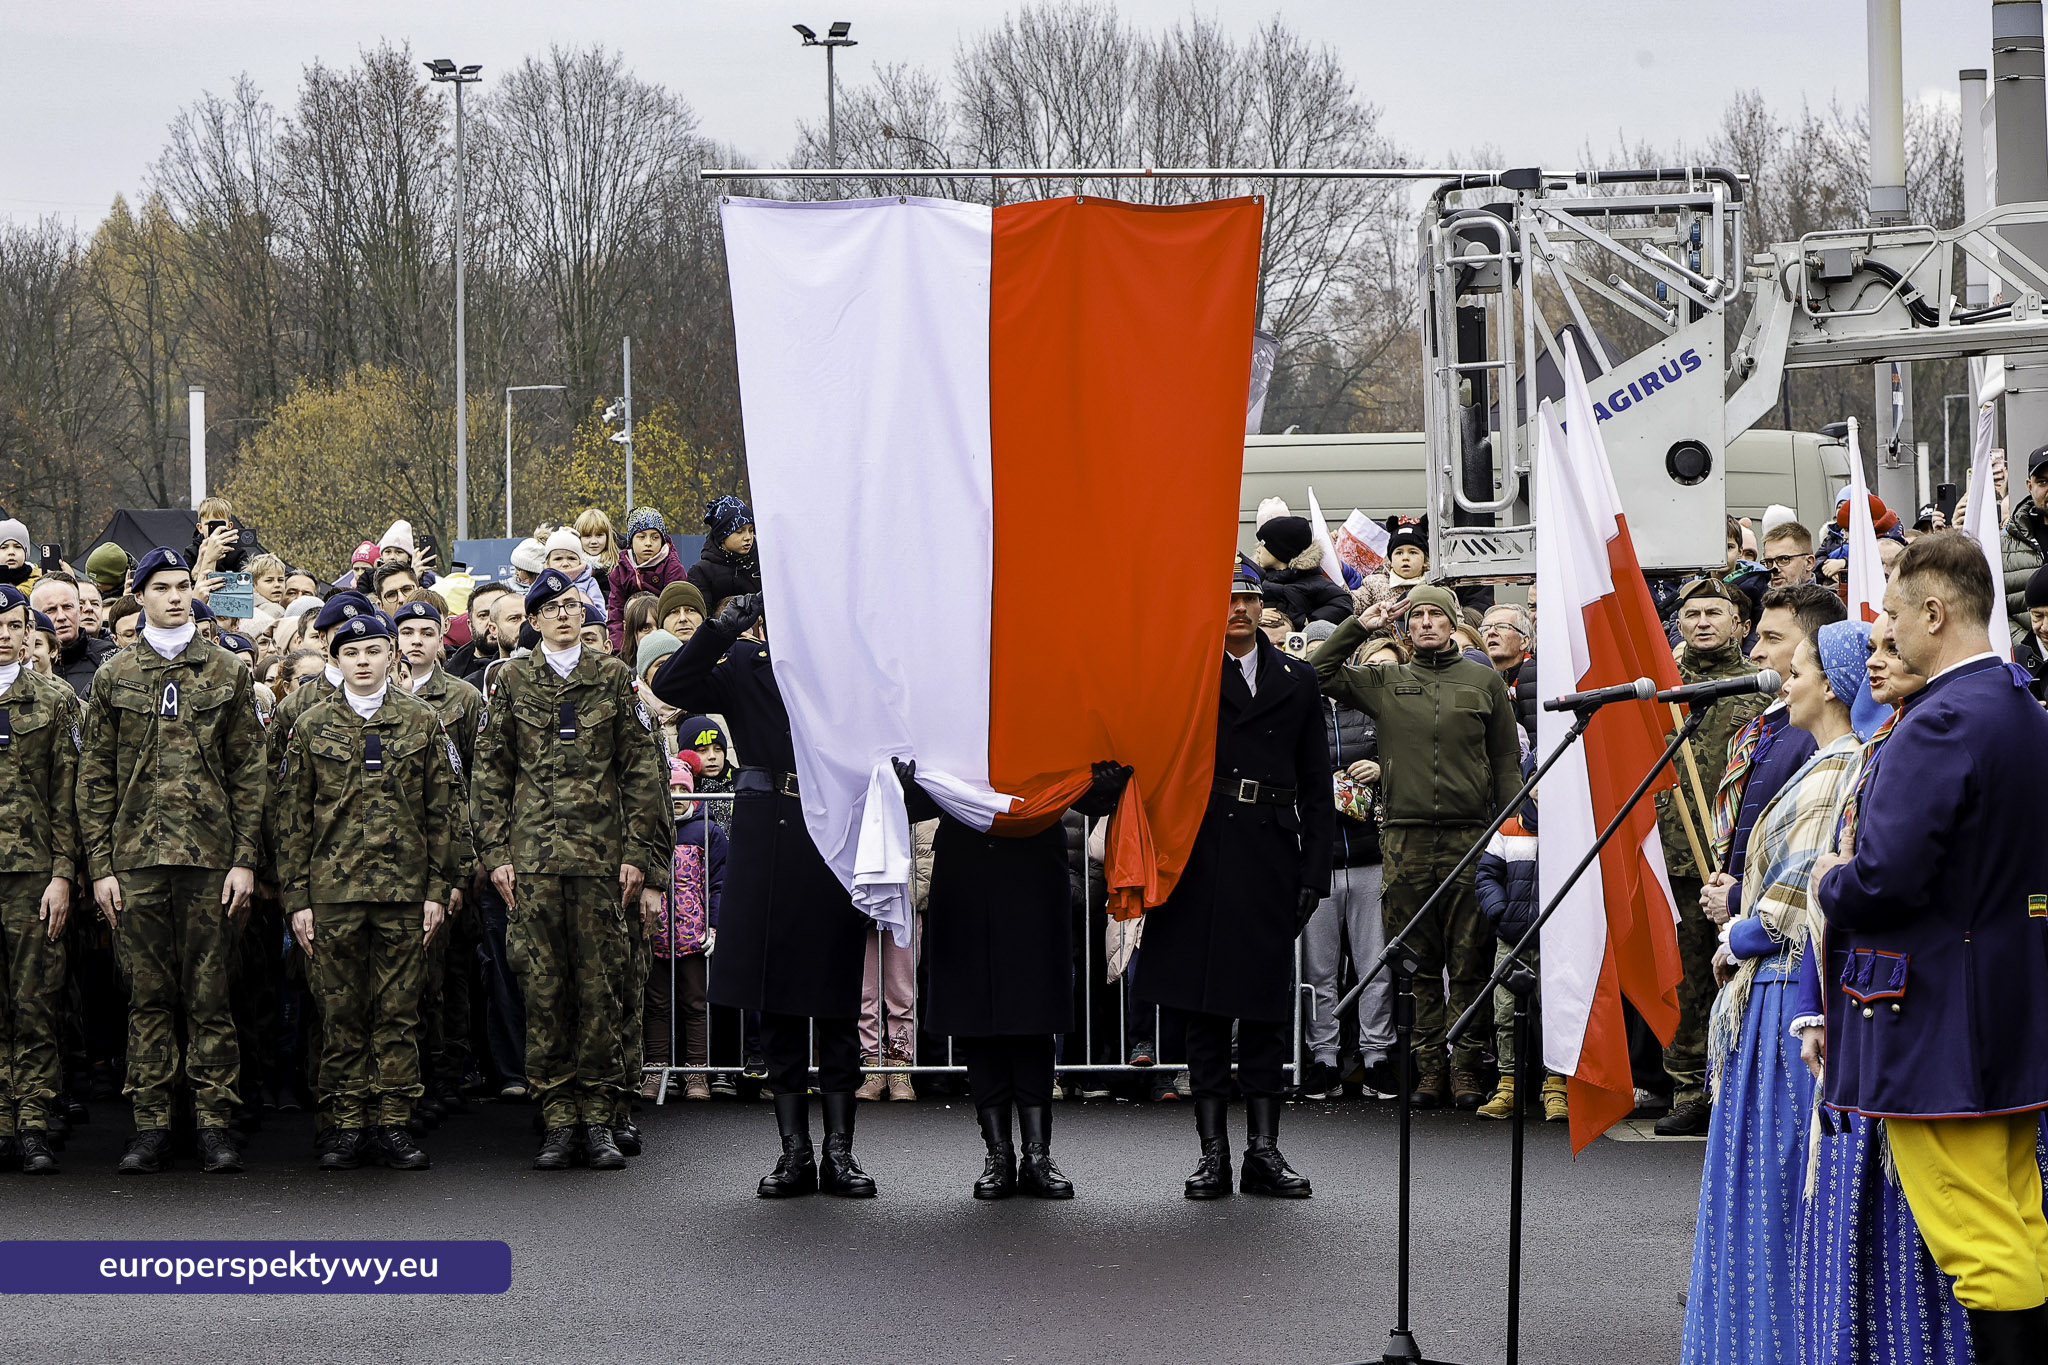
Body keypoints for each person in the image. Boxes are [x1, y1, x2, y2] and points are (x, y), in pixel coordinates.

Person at [1814, 532, 2048, 1360]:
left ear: (1935, 612)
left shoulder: (1939, 720)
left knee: (1983, 1246)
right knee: (2014, 1223)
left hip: (1939, 1019)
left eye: (1895, 613)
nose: (1889, 630)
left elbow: (1884, 880)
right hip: (2003, 1006)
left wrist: (1829, 878)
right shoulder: (2021, 705)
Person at [1681, 622, 1868, 1365]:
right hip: (1773, 990)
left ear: (1830, 684)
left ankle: (1775, 1344)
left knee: (1781, 1183)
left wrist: (1743, 931)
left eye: (1799, 668)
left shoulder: (1841, 762)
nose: (1784, 680)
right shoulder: (1829, 758)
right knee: (1768, 1184)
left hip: (1788, 990)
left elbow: (1808, 880)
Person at [651, 593, 877, 1198]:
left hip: (832, 832)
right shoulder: (745, 666)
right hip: (767, 830)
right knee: (774, 1002)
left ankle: (840, 1154)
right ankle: (794, 1154)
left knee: (833, 1001)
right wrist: (720, 628)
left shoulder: (847, 668)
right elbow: (674, 683)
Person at [1135, 561, 1331, 1199]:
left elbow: (1316, 782)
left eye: (1249, 598)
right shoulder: (1186, 677)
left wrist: (1315, 866)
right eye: (1227, 601)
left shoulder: (1297, 680)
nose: (1239, 610)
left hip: (1269, 851)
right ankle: (1213, 1154)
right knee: (1205, 1010)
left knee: (1265, 1009)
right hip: (1200, 848)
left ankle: (1264, 1152)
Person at [471, 567, 669, 1171]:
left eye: (573, 604)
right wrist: (496, 856)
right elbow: (489, 776)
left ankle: (601, 1114)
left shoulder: (612, 680)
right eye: (550, 607)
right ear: (531, 622)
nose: (564, 614)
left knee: (603, 991)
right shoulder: (511, 682)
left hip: (603, 865)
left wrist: (642, 860)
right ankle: (558, 1117)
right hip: (532, 866)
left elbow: (644, 776)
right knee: (544, 990)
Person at [77, 547, 267, 1175]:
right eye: (160, 588)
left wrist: (244, 860)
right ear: (140, 596)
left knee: (211, 997)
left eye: (183, 585)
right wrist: (101, 868)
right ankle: (152, 1125)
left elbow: (249, 774)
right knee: (147, 999)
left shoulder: (226, 671)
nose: (175, 596)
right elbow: (95, 778)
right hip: (136, 863)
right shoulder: (114, 677)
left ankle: (215, 1123)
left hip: (211, 862)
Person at [1310, 583, 1520, 1108]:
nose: (1427, 622)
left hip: (1470, 837)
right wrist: (1362, 623)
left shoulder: (1483, 680)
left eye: (1437, 614)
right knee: (1417, 962)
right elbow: (1317, 673)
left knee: (1468, 960)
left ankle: (1466, 1068)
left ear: (1453, 624)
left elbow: (1505, 762)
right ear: (1408, 626)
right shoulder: (1388, 679)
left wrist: (1513, 828)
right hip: (1403, 838)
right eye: (1419, 615)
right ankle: (1429, 1070)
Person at [275, 610, 460, 1171]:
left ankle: (393, 1123)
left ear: (391, 656)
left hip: (404, 895)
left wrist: (436, 889)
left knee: (399, 1013)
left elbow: (444, 813)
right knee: (338, 1011)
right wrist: (298, 901)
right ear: (334, 659)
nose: (362, 661)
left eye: (374, 651)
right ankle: (345, 1123)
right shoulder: (310, 726)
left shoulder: (423, 722)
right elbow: (291, 820)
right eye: (351, 653)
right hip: (332, 895)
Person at [898, 756, 1126, 1201]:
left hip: (1032, 863)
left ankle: (1037, 1156)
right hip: (967, 863)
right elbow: (918, 802)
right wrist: (908, 781)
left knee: (1033, 1014)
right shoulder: (948, 707)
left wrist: (1105, 782)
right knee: (977, 1021)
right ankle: (998, 1155)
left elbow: (1089, 790)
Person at [1652, 578, 1769, 1137]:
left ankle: (1741, 1083)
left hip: (1738, 859)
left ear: (1738, 624)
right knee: (1688, 978)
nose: (1701, 622)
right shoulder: (1661, 687)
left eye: (1714, 613)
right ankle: (1688, 1085)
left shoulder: (1758, 691)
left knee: (1740, 973)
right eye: (1691, 613)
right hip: (1673, 854)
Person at [1699, 583, 1847, 938]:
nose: (1756, 652)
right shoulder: (1767, 723)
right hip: (1741, 920)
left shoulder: (1817, 732)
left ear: (1813, 647)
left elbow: (1805, 852)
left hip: (1777, 936)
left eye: (1772, 638)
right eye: (1758, 637)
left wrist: (1736, 897)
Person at [0, 584, 83, 1174]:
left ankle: (32, 1122)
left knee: (35, 1003)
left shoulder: (51, 701)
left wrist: (62, 875)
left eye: (12, 623)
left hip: (31, 874)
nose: (3, 634)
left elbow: (68, 796)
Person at [393, 597, 485, 1116]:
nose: (417, 641)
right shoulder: (376, 694)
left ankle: (451, 1069)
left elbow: (476, 778)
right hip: (395, 858)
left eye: (428, 631)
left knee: (451, 968)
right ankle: (417, 1074)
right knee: (409, 976)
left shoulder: (463, 698)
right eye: (407, 631)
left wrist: (468, 854)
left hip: (449, 851)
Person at [1298, 618, 1394, 1100]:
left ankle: (1377, 1055)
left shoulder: (1369, 706)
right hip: (1318, 860)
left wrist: (1382, 768)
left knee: (1374, 964)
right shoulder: (1297, 709)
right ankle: (1324, 1056)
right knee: (1319, 971)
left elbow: (1410, 756)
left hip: (1370, 854)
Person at [646, 750, 727, 1102]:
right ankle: (655, 1069)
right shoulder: (649, 830)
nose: (676, 799)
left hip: (693, 938)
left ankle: (697, 1070)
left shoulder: (708, 831)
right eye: (670, 791)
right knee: (656, 1004)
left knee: (696, 1004)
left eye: (683, 791)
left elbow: (720, 883)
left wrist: (715, 927)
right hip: (655, 935)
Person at [1250, 500, 1351, 627]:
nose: (1258, 550)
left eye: (1263, 545)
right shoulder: (1254, 581)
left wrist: (1310, 622)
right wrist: (1256, 615)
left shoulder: (1315, 583)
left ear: (1281, 551)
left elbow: (1343, 604)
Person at [607, 508, 687, 649]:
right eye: (641, 537)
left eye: (655, 537)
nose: (648, 543)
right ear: (631, 540)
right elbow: (616, 614)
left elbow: (675, 609)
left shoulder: (673, 568)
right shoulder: (620, 571)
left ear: (662, 540)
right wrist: (618, 650)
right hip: (633, 636)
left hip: (665, 636)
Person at [30, 573, 113, 699]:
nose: (61, 617)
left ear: (79, 610)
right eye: (51, 610)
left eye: (67, 607)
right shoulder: (25, 661)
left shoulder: (109, 656)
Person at [687, 496, 761, 610]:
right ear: (722, 536)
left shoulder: (762, 564)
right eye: (739, 532)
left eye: (751, 530)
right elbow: (703, 618)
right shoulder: (701, 573)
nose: (748, 537)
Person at [1479, 604, 1536, 741]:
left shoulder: (1539, 677)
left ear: (1524, 641)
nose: (1491, 632)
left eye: (1502, 626)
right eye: (1485, 629)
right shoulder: (1477, 680)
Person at [575, 509, 618, 602]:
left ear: (607, 536)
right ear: (579, 538)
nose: (594, 541)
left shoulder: (618, 565)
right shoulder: (573, 567)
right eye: (587, 536)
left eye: (599, 535)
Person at [1761, 521, 1817, 589]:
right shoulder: (1759, 598)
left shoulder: (1828, 599)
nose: (1774, 568)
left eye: (1784, 559)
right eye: (1769, 562)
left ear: (1809, 563)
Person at [0, 521, 36, 593]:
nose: (11, 552)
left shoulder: (40, 583)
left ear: (26, 551)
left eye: (17, 547)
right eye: (4, 547)